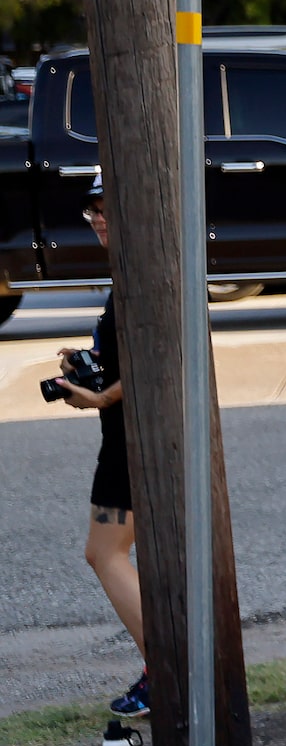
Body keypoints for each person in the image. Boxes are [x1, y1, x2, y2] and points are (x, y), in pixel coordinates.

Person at [53, 190, 145, 717]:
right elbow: (127, 350)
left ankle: (164, 668)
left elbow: (156, 353)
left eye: (108, 207)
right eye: (93, 211)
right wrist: (87, 361)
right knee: (118, 555)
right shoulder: (129, 271)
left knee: (105, 553)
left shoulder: (139, 271)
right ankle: (167, 665)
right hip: (127, 438)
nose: (98, 220)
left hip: (131, 441)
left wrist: (100, 395)